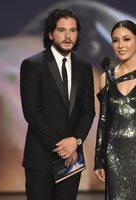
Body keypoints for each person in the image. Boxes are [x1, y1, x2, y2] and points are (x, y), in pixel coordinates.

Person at [20, 8, 95, 200]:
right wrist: (62, 147)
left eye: (73, 30)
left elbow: (88, 111)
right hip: (41, 158)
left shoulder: (84, 67)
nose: (68, 35)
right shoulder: (32, 65)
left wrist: (75, 141)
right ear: (50, 34)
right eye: (62, 30)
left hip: (72, 160)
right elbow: (31, 112)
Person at [94, 20, 136, 199]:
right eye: (115, 40)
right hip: (115, 155)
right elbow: (103, 121)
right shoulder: (106, 77)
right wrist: (98, 159)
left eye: (126, 39)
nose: (121, 45)